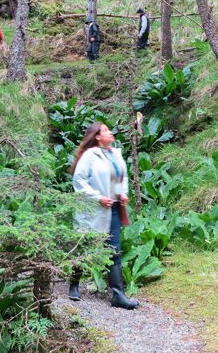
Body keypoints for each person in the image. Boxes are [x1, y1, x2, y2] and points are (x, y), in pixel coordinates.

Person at [69, 122, 139, 310]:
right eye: (106, 130)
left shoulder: (116, 153)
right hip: (93, 210)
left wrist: (122, 193)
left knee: (114, 250)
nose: (110, 132)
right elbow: (79, 180)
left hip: (113, 209)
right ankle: (74, 284)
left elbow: (121, 178)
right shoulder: (90, 156)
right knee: (84, 247)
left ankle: (118, 295)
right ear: (98, 136)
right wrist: (97, 198)